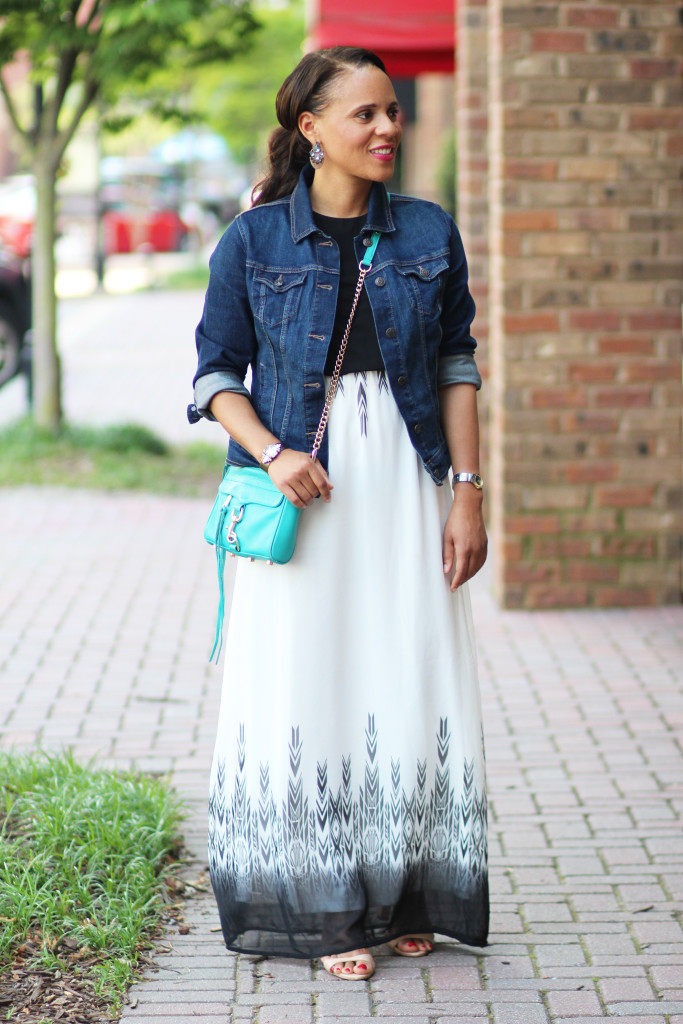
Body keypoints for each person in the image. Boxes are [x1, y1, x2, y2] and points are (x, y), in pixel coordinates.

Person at [192, 46, 488, 982]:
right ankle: (322, 907)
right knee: (307, 673)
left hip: (404, 477)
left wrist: (467, 493)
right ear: (311, 129)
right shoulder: (253, 242)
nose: (387, 128)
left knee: (405, 661)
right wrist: (275, 455)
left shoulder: (429, 232)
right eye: (364, 114)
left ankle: (404, 891)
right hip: (300, 486)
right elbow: (211, 378)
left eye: (394, 111)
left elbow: (455, 366)